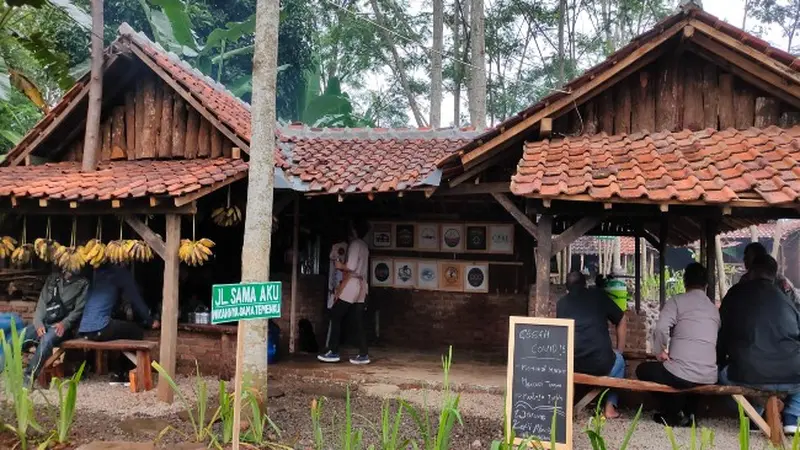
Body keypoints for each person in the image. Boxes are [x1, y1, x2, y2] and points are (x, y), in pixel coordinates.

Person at [718, 254, 800, 434]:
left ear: (751, 272)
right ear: (774, 274)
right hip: (791, 373)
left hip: (749, 372)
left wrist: (719, 361)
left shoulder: (736, 295)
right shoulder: (787, 300)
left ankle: (754, 413)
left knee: (720, 375)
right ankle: (792, 417)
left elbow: (722, 332)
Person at [636, 263, 720, 426]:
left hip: (681, 374)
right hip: (709, 375)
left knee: (643, 369)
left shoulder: (677, 301)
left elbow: (660, 328)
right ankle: (690, 414)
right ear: (706, 285)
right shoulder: (714, 310)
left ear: (684, 282)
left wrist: (660, 351)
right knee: (688, 377)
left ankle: (673, 413)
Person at [557, 271, 627, 418]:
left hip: (572, 365)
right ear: (585, 284)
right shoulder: (598, 296)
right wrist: (619, 351)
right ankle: (609, 408)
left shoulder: (561, 304)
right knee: (620, 361)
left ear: (567, 287)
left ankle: (567, 406)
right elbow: (621, 319)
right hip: (601, 365)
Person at [21, 268, 89, 384]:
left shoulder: (83, 283)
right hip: (46, 322)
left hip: (63, 327)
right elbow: (42, 303)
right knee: (21, 336)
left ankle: (28, 378)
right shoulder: (52, 279)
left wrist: (65, 323)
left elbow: (79, 310)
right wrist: (38, 323)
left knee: (46, 341)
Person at [318, 219, 370, 365]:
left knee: (335, 314)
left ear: (354, 230)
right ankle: (363, 353)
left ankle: (333, 352)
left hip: (352, 283)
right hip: (362, 285)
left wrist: (340, 265)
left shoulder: (354, 244)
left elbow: (351, 266)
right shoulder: (365, 246)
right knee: (359, 320)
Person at [739, 242, 799, 307]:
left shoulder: (780, 281)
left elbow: (794, 303)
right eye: (745, 256)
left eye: (748, 256)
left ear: (760, 258)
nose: (744, 259)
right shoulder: (744, 280)